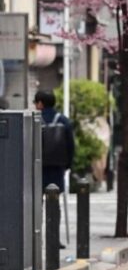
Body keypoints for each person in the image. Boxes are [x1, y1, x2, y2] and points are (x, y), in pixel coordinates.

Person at [35, 91, 75, 249]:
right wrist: (67, 165)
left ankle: (35, 239)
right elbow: (70, 146)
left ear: (40, 103)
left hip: (37, 168)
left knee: (36, 205)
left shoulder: (35, 120)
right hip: (57, 168)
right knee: (54, 205)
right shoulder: (63, 120)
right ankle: (54, 239)